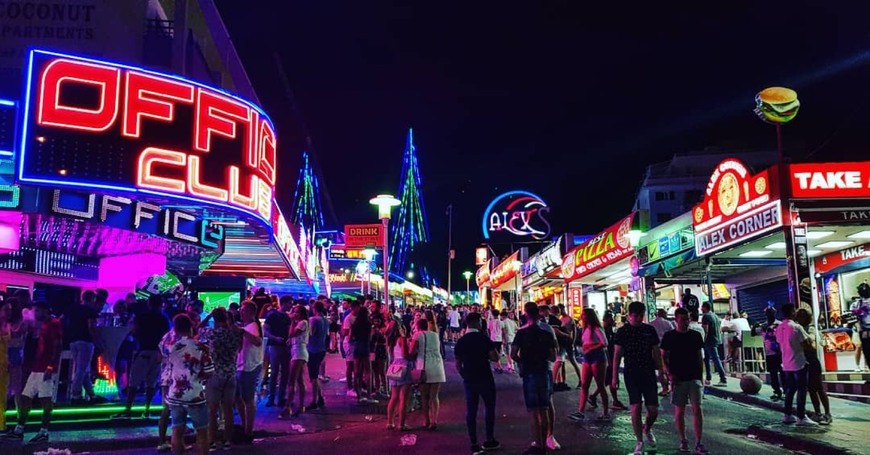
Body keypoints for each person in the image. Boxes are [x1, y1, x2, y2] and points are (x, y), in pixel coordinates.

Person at [2, 301, 62, 443]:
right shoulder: (45, 325)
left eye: (37, 311)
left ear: (45, 310)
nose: (35, 314)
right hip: (37, 367)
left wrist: (51, 367)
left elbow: (57, 346)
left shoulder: (53, 324)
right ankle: (20, 429)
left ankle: (43, 432)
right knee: (25, 397)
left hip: (45, 368)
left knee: (45, 400)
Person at [612, 301, 663, 455]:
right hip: (631, 372)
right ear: (629, 316)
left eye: (641, 315)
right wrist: (614, 377)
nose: (638, 319)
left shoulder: (649, 330)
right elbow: (616, 356)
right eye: (635, 316)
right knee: (635, 407)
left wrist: (661, 372)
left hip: (648, 372)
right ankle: (639, 442)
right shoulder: (622, 332)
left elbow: (656, 352)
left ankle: (647, 428)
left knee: (653, 409)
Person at [511, 302, 557, 455]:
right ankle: (544, 443)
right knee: (544, 410)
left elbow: (513, 354)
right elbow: (552, 356)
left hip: (529, 373)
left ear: (526, 315)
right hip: (544, 371)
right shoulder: (547, 333)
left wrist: (523, 361)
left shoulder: (522, 333)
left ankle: (537, 443)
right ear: (539, 316)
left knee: (533, 411)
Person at [660, 308, 708, 454]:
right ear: (676, 320)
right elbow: (663, 356)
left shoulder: (695, 335)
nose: (685, 322)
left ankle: (699, 442)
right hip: (678, 377)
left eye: (687, 319)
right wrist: (668, 373)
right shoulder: (670, 336)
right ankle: (683, 439)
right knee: (679, 410)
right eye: (682, 320)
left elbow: (700, 356)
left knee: (697, 408)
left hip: (694, 376)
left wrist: (702, 376)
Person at [114, 295, 171, 419]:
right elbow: (168, 336)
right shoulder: (164, 318)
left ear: (149, 303)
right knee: (151, 383)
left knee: (134, 382)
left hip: (144, 351)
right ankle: (147, 409)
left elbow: (134, 331)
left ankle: (128, 409)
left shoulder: (143, 317)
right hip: (157, 353)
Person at [164, 314, 213, 455]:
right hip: (195, 395)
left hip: (175, 394)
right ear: (191, 327)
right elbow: (209, 371)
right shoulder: (201, 347)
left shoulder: (172, 348)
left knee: (177, 431)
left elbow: (168, 369)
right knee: (202, 433)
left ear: (176, 330)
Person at [454, 312, 500, 454]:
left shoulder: (461, 341)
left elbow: (458, 364)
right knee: (489, 407)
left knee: (471, 410)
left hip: (469, 378)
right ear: (477, 322)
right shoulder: (483, 338)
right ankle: (489, 438)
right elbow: (495, 357)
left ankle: (473, 442)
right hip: (485, 376)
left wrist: (464, 374)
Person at [200, 307, 242, 451]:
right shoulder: (235, 334)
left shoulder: (212, 333)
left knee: (212, 410)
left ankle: (211, 440)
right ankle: (227, 440)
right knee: (228, 409)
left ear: (215, 319)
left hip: (215, 374)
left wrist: (208, 316)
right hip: (230, 373)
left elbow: (198, 328)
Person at [775, 303, 817, 426]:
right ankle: (801, 416)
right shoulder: (796, 327)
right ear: (792, 312)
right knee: (801, 390)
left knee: (790, 389)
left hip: (786, 363)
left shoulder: (780, 327)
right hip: (799, 363)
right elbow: (806, 344)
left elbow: (779, 342)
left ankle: (787, 415)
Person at [569, 308, 610, 422]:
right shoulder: (585, 329)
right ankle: (580, 411)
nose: (582, 316)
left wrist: (590, 347)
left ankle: (605, 411)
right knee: (584, 385)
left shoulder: (596, 328)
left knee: (600, 385)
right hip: (587, 357)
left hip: (597, 357)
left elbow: (604, 343)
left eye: (584, 315)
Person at [795, 308, 831, 425]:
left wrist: (803, 343)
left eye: (803, 316)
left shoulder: (810, 328)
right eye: (799, 315)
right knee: (811, 389)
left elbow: (812, 344)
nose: (800, 318)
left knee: (819, 388)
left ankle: (827, 414)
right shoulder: (798, 329)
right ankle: (817, 412)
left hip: (813, 361)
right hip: (804, 362)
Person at [411, 317, 447, 430]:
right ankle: (434, 420)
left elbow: (412, 351)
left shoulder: (417, 335)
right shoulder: (435, 335)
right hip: (437, 366)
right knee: (434, 396)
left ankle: (426, 420)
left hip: (424, 367)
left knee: (424, 396)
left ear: (417, 326)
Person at [235, 302, 264, 441]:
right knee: (239, 398)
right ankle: (245, 425)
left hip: (249, 366)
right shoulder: (248, 326)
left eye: (243, 310)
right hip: (243, 366)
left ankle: (248, 430)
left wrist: (242, 332)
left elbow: (258, 341)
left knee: (248, 398)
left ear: (251, 312)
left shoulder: (253, 326)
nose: (241, 312)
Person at [590, 311, 627, 410]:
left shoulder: (610, 330)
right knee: (608, 380)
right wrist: (608, 360)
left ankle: (611, 400)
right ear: (605, 319)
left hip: (611, 358)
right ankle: (609, 402)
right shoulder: (604, 330)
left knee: (608, 381)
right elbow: (604, 346)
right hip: (607, 359)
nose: (612, 319)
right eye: (610, 318)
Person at [281, 304, 310, 417]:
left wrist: (292, 321)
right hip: (297, 351)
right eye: (294, 311)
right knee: (299, 380)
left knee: (292, 380)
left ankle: (288, 407)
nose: (295, 313)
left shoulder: (302, 323)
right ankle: (301, 405)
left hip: (299, 352)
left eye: (297, 311)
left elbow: (291, 334)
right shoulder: (302, 323)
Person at [263, 296, 292, 407]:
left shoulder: (287, 317)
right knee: (275, 372)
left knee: (285, 372)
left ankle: (280, 397)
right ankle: (272, 398)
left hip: (285, 346)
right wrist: (275, 338)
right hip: (275, 346)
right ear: (283, 303)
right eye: (289, 303)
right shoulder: (273, 315)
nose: (290, 306)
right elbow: (265, 330)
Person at [385, 323, 414, 431]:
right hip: (404, 367)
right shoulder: (402, 339)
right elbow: (405, 354)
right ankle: (401, 424)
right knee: (403, 398)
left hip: (393, 367)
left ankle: (390, 422)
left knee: (394, 397)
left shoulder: (390, 341)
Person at [755, 307, 784, 401]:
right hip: (769, 353)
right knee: (773, 374)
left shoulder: (779, 324)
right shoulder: (764, 325)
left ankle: (787, 391)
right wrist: (756, 326)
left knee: (783, 372)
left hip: (779, 352)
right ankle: (777, 391)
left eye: (771, 312)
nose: (769, 314)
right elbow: (753, 333)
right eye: (768, 313)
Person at [351, 306, 376, 403]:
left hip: (357, 346)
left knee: (357, 372)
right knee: (368, 372)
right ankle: (369, 395)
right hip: (365, 347)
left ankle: (359, 395)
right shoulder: (368, 324)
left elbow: (352, 337)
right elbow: (370, 338)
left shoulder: (355, 324)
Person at [307, 300, 329, 410]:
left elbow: (310, 334)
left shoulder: (313, 320)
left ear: (314, 308)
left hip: (313, 349)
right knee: (315, 375)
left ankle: (314, 401)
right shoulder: (325, 320)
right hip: (321, 348)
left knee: (313, 376)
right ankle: (320, 397)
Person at [700, 303, 727, 386]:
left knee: (714, 359)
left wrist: (703, 341)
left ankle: (723, 379)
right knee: (708, 359)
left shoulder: (706, 316)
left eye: (702, 307)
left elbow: (706, 331)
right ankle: (708, 378)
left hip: (709, 341)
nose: (701, 309)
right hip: (716, 339)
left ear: (705, 307)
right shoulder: (715, 315)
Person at [650, 309, 674, 396]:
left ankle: (665, 388)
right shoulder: (668, 323)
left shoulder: (651, 324)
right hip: (667, 348)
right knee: (668, 367)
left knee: (660, 369)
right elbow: (672, 334)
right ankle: (671, 386)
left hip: (655, 348)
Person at [556, 304, 582, 388]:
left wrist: (573, 342)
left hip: (569, 342)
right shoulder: (559, 319)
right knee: (561, 362)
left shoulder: (570, 319)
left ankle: (581, 379)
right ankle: (563, 381)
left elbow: (574, 331)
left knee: (573, 361)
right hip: (562, 343)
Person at [850, 283, 870, 367]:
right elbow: (853, 317)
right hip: (864, 331)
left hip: (864, 330)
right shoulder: (857, 303)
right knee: (867, 352)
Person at [487, 309, 505, 373]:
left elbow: (488, 331)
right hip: (499, 339)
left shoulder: (490, 322)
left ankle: (498, 367)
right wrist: (503, 339)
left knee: (493, 353)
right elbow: (503, 332)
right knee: (498, 353)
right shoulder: (501, 322)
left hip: (492, 339)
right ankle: (498, 366)